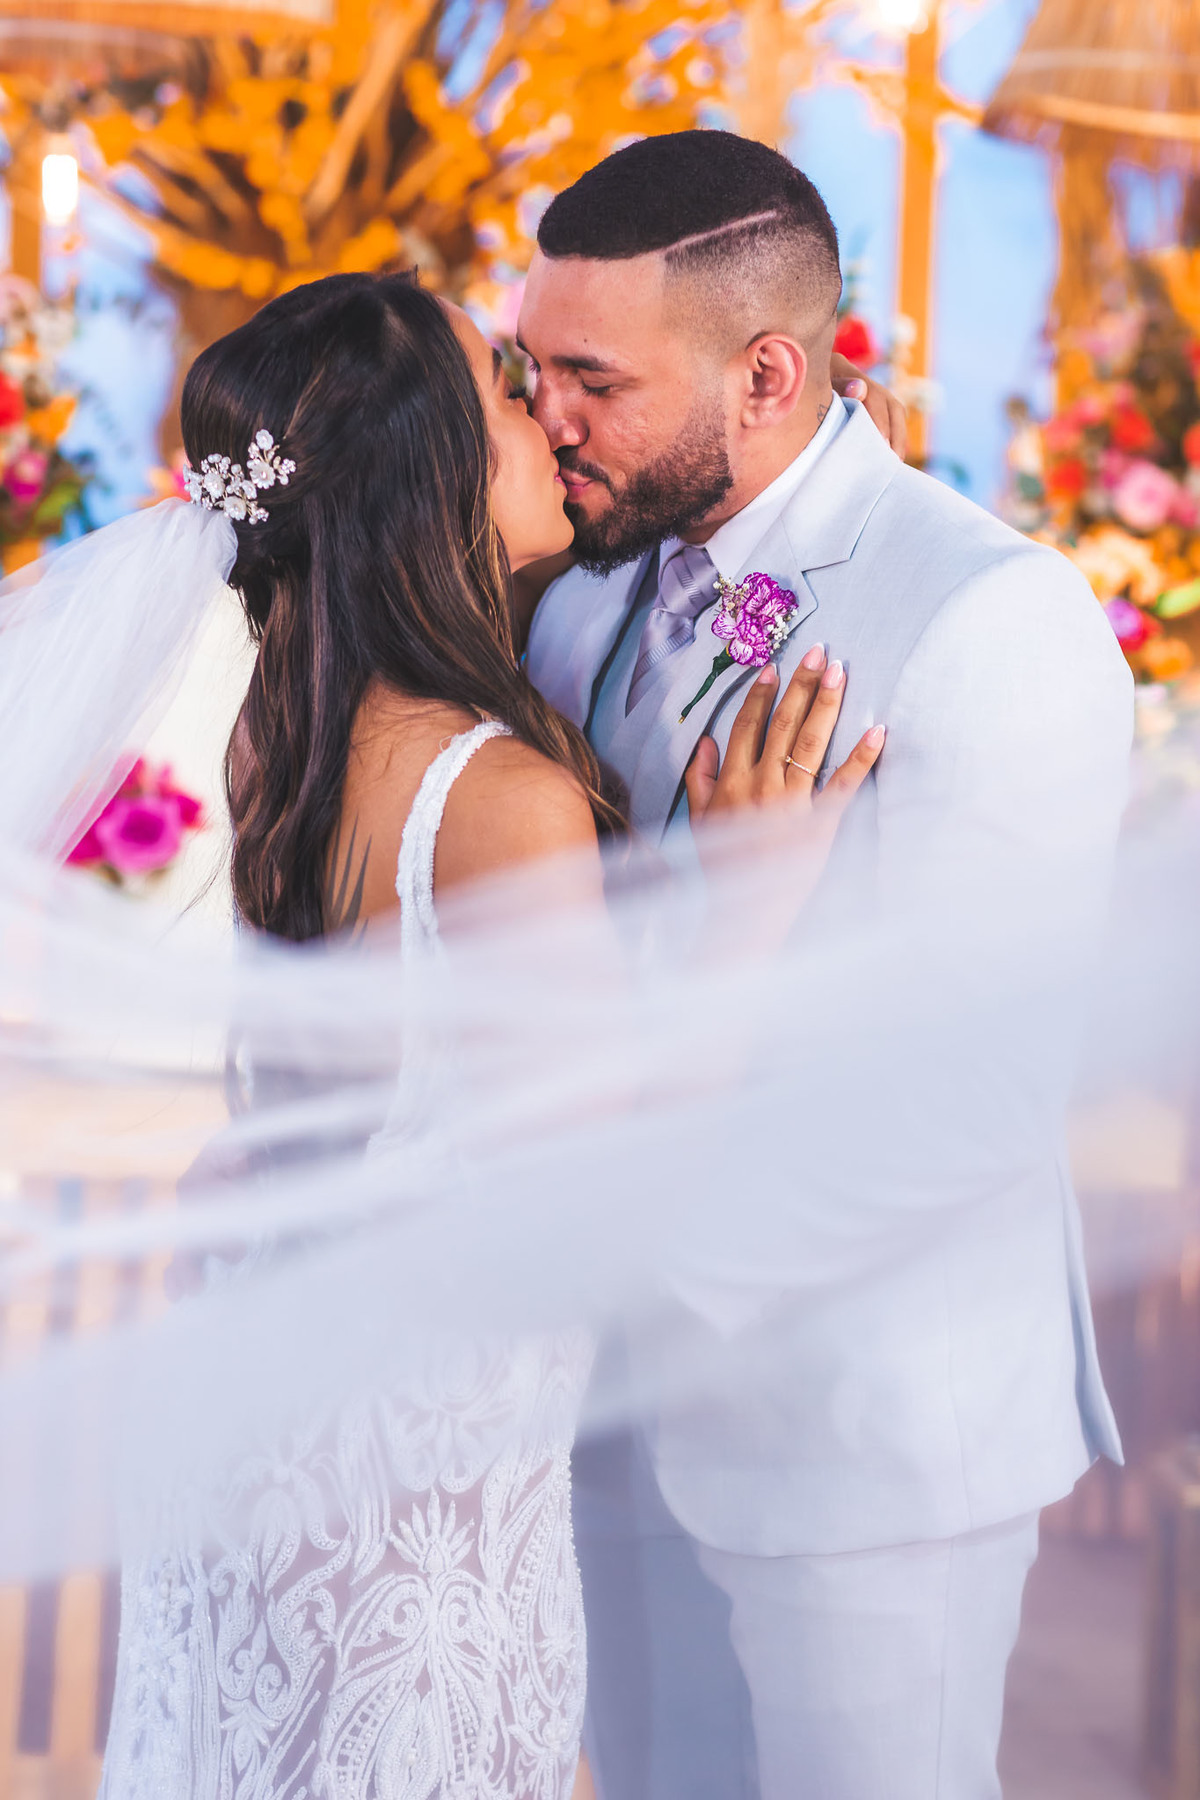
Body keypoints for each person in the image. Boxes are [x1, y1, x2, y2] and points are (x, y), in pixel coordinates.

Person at [95, 269, 882, 1800]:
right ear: (432, 475)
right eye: (508, 393)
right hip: (410, 1519)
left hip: (271, 1447)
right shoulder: (496, 798)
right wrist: (747, 909)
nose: (550, 420)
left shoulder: (292, 729)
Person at [519, 130, 1134, 1800]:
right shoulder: (578, 593)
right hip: (609, 1440)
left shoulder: (988, 622)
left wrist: (628, 1281)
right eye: (530, 369)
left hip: (861, 1438)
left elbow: (970, 1103)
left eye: (590, 377)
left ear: (769, 374)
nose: (546, 419)